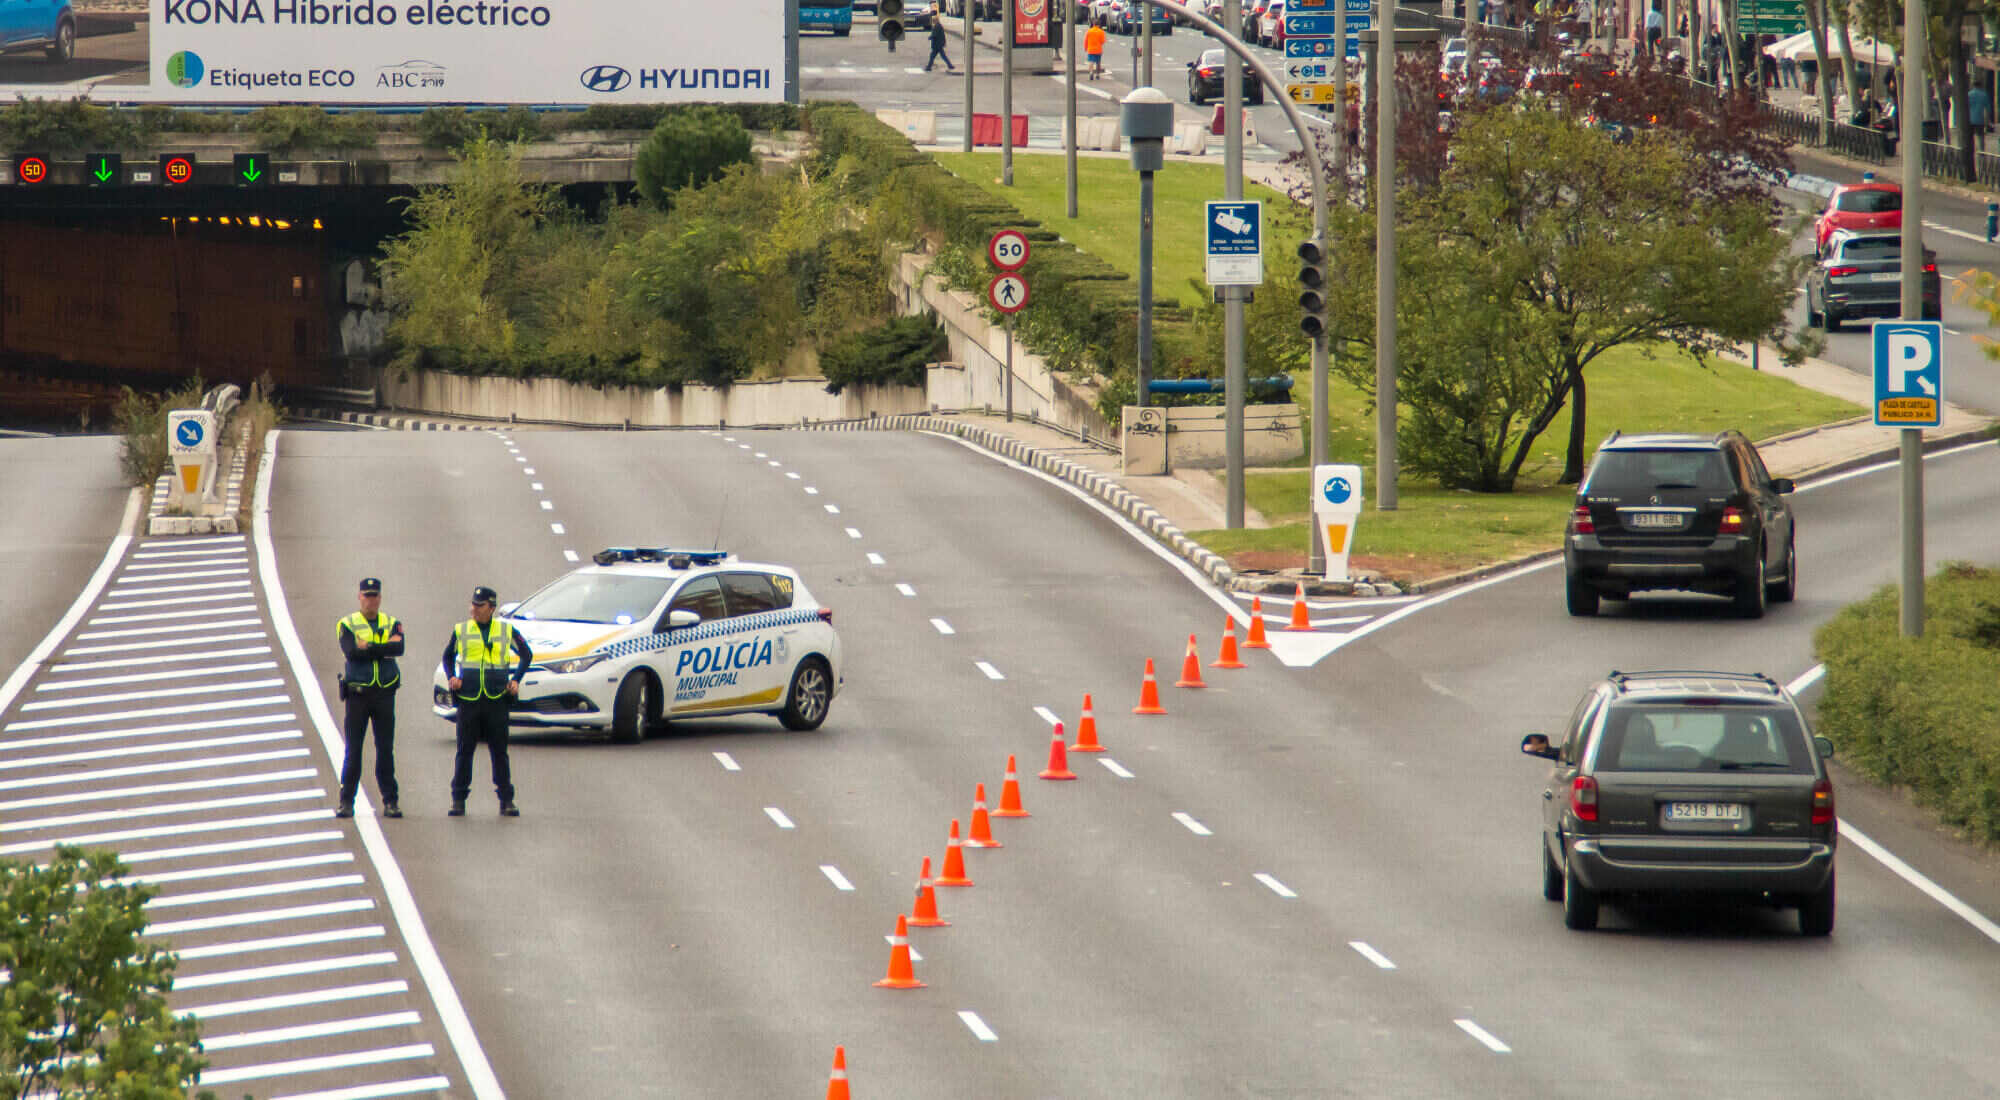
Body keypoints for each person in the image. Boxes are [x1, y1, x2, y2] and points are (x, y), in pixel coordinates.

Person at [442, 586, 532, 817]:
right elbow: (447, 656)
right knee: (464, 751)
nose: (474, 609)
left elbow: (526, 654)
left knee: (499, 752)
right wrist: (452, 676)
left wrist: (516, 680)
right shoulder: (462, 629)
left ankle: (506, 800)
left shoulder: (505, 629)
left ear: (491, 608)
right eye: (473, 604)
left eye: (479, 606)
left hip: (496, 699)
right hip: (470, 699)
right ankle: (458, 800)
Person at [335, 577, 404, 820]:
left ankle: (390, 801)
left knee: (385, 750)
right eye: (367, 595)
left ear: (380, 598)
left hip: (384, 694)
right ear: (359, 597)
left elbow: (398, 649)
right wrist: (380, 648)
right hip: (358, 696)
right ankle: (346, 801)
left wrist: (369, 647)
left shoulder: (392, 622)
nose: (370, 600)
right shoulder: (347, 624)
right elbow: (351, 651)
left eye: (374, 596)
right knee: (353, 751)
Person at [1971, 83, 1991, 151]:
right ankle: (1981, 151)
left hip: (1970, 119)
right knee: (1980, 137)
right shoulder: (1984, 95)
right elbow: (1987, 109)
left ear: (1973, 86)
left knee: (1970, 137)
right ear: (1980, 86)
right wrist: (1988, 121)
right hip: (1980, 119)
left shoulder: (1968, 94)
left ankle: (1971, 150)